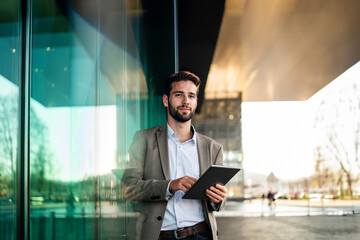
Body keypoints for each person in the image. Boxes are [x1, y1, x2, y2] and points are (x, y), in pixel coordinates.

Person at [121, 71, 227, 240]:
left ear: (196, 101)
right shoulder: (144, 140)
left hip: (200, 234)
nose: (186, 101)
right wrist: (170, 186)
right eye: (179, 95)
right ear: (166, 100)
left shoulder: (213, 148)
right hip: (158, 235)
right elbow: (129, 188)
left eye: (191, 96)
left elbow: (217, 203)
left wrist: (218, 199)